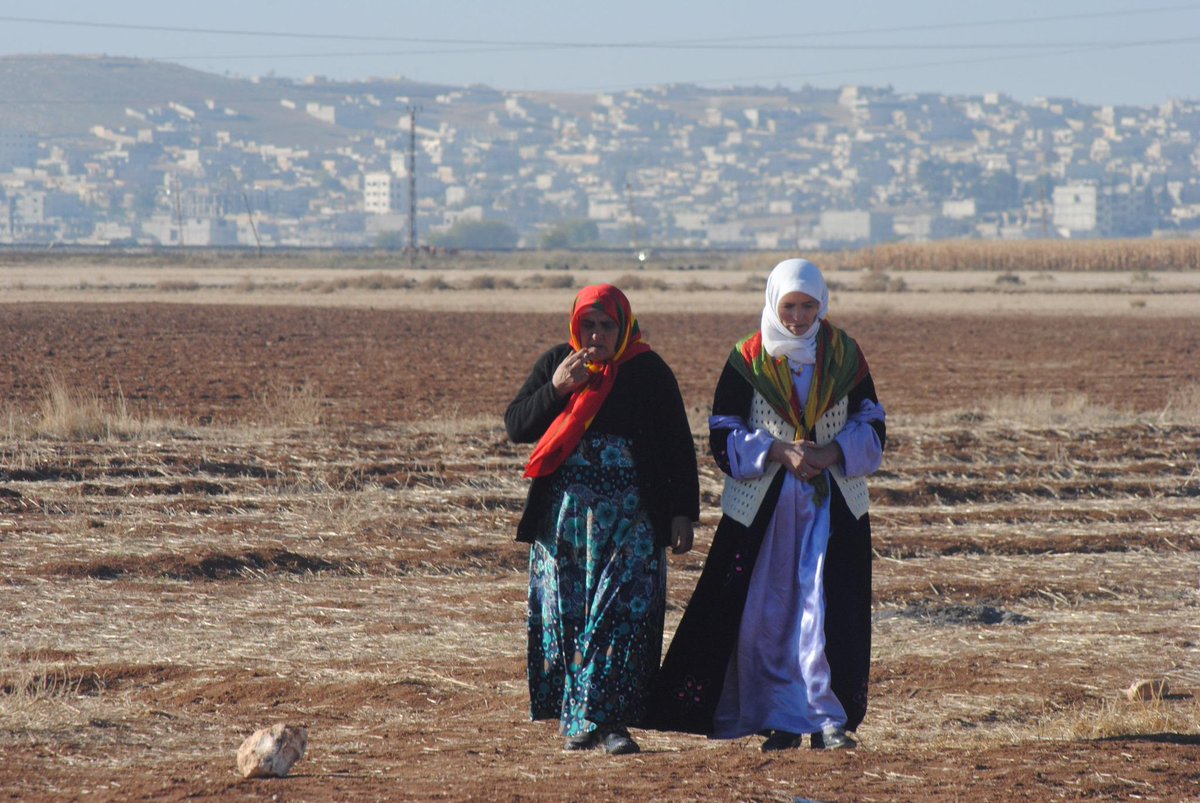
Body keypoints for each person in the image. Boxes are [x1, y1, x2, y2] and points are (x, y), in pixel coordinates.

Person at [646, 258, 886, 752]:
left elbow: (873, 424)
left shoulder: (844, 355)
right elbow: (722, 432)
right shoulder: (747, 358)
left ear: (822, 304)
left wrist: (829, 452)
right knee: (767, 614)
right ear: (774, 303)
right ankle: (778, 715)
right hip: (764, 510)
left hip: (832, 505)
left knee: (823, 610)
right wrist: (779, 451)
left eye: (807, 306)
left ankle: (828, 717)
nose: (798, 317)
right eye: (789, 306)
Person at [505, 283, 700, 756]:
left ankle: (611, 722)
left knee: (619, 618)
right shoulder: (560, 364)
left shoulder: (648, 371)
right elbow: (517, 426)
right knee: (570, 618)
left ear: (624, 326)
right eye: (587, 325)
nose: (596, 335)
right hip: (566, 521)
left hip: (632, 520)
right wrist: (557, 389)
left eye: (606, 325)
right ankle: (580, 721)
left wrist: (682, 513)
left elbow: (677, 444)